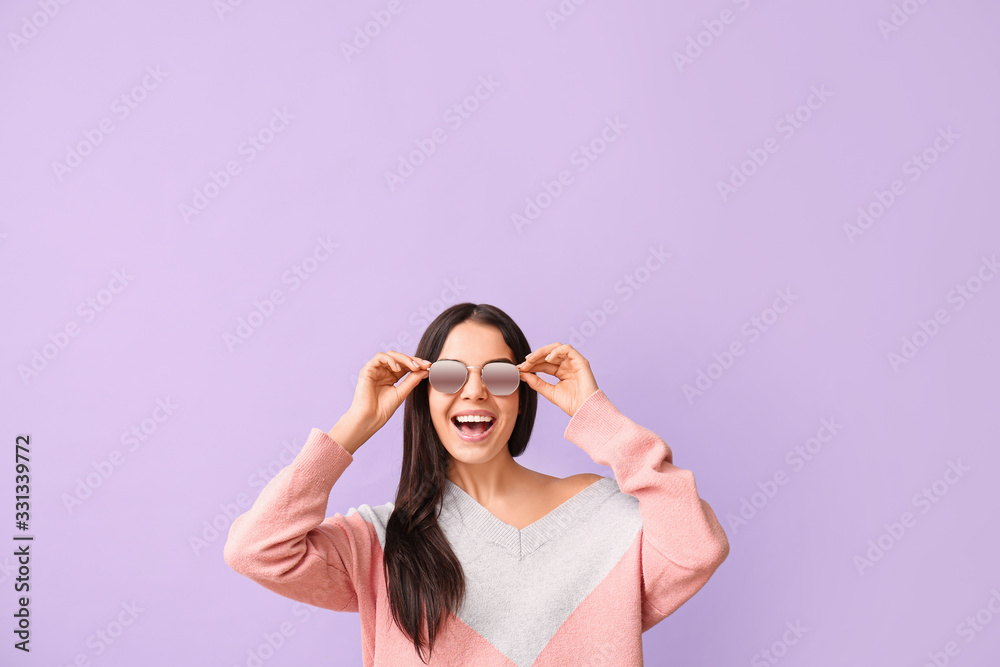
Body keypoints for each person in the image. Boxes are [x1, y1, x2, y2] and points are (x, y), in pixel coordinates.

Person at [224, 302, 730, 666]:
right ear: (422, 396)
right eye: (448, 375)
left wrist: (600, 419)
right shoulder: (380, 540)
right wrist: (353, 427)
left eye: (499, 374)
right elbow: (257, 550)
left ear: (524, 394)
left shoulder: (605, 519)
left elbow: (696, 548)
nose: (474, 391)